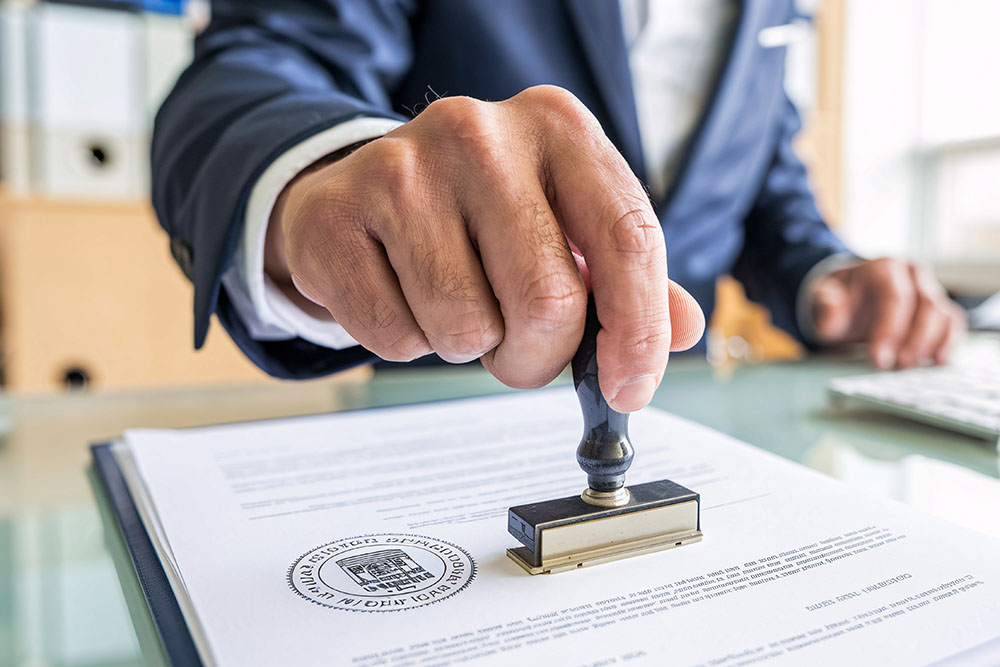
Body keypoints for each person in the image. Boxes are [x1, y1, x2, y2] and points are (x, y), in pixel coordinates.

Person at [152, 0, 965, 413]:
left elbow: (758, 161)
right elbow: (260, 61)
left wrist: (825, 270)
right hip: (443, 397)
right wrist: (323, 173)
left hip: (691, 417)